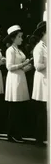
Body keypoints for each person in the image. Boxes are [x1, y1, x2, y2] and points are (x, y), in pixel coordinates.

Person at [4, 25, 32, 143]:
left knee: (19, 107)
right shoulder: (10, 50)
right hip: (14, 79)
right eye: (19, 37)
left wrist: (28, 66)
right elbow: (9, 67)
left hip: (20, 77)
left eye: (21, 36)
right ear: (13, 38)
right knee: (15, 107)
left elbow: (20, 68)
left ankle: (17, 133)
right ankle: (12, 134)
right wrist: (24, 63)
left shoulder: (19, 50)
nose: (21, 39)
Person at [31, 16, 47, 146]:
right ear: (43, 33)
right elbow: (38, 66)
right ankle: (39, 138)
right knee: (42, 110)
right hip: (43, 82)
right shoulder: (39, 48)